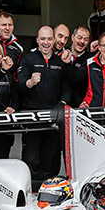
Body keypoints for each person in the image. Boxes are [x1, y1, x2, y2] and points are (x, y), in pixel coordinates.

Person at [19, 27, 72, 186]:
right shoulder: (29, 59)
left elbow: (67, 88)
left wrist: (62, 103)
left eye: (49, 39)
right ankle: (31, 189)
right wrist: (30, 82)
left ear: (54, 40)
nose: (46, 43)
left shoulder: (60, 61)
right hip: (32, 117)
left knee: (51, 157)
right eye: (43, 39)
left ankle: (50, 189)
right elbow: (19, 83)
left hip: (53, 118)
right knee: (31, 157)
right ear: (37, 40)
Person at [64, 25, 94, 107]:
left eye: (86, 39)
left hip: (82, 105)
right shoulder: (61, 54)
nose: (82, 41)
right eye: (79, 37)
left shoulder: (91, 59)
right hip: (60, 104)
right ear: (72, 37)